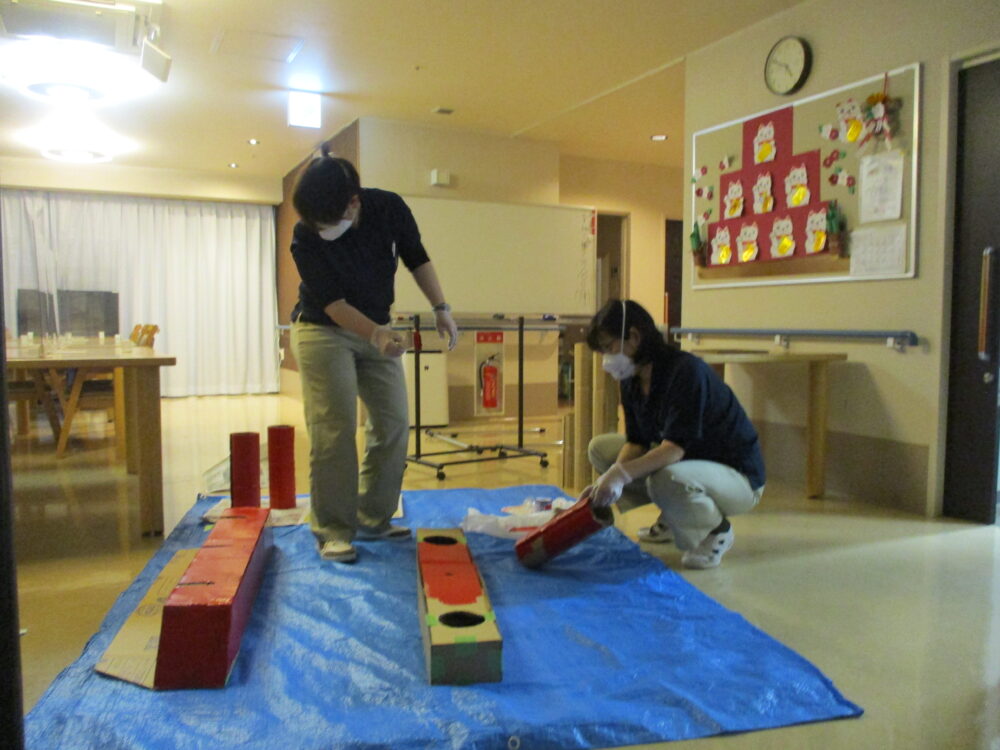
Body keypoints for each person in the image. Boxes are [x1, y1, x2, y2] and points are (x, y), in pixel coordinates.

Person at [289, 150, 458, 563]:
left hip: (376, 331)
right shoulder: (305, 235)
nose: (320, 229)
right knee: (335, 427)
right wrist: (378, 333)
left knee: (394, 422)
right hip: (322, 330)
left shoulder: (388, 207)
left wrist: (441, 308)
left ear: (353, 202)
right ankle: (332, 528)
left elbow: (416, 256)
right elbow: (332, 304)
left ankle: (372, 517)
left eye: (327, 221)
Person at [581, 299, 765, 569]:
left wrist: (621, 475)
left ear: (633, 337)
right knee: (601, 449)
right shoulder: (631, 379)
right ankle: (673, 516)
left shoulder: (685, 371)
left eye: (609, 348)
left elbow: (674, 449)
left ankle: (717, 532)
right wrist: (608, 479)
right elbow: (637, 442)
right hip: (690, 464)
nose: (607, 359)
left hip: (737, 476)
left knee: (666, 479)